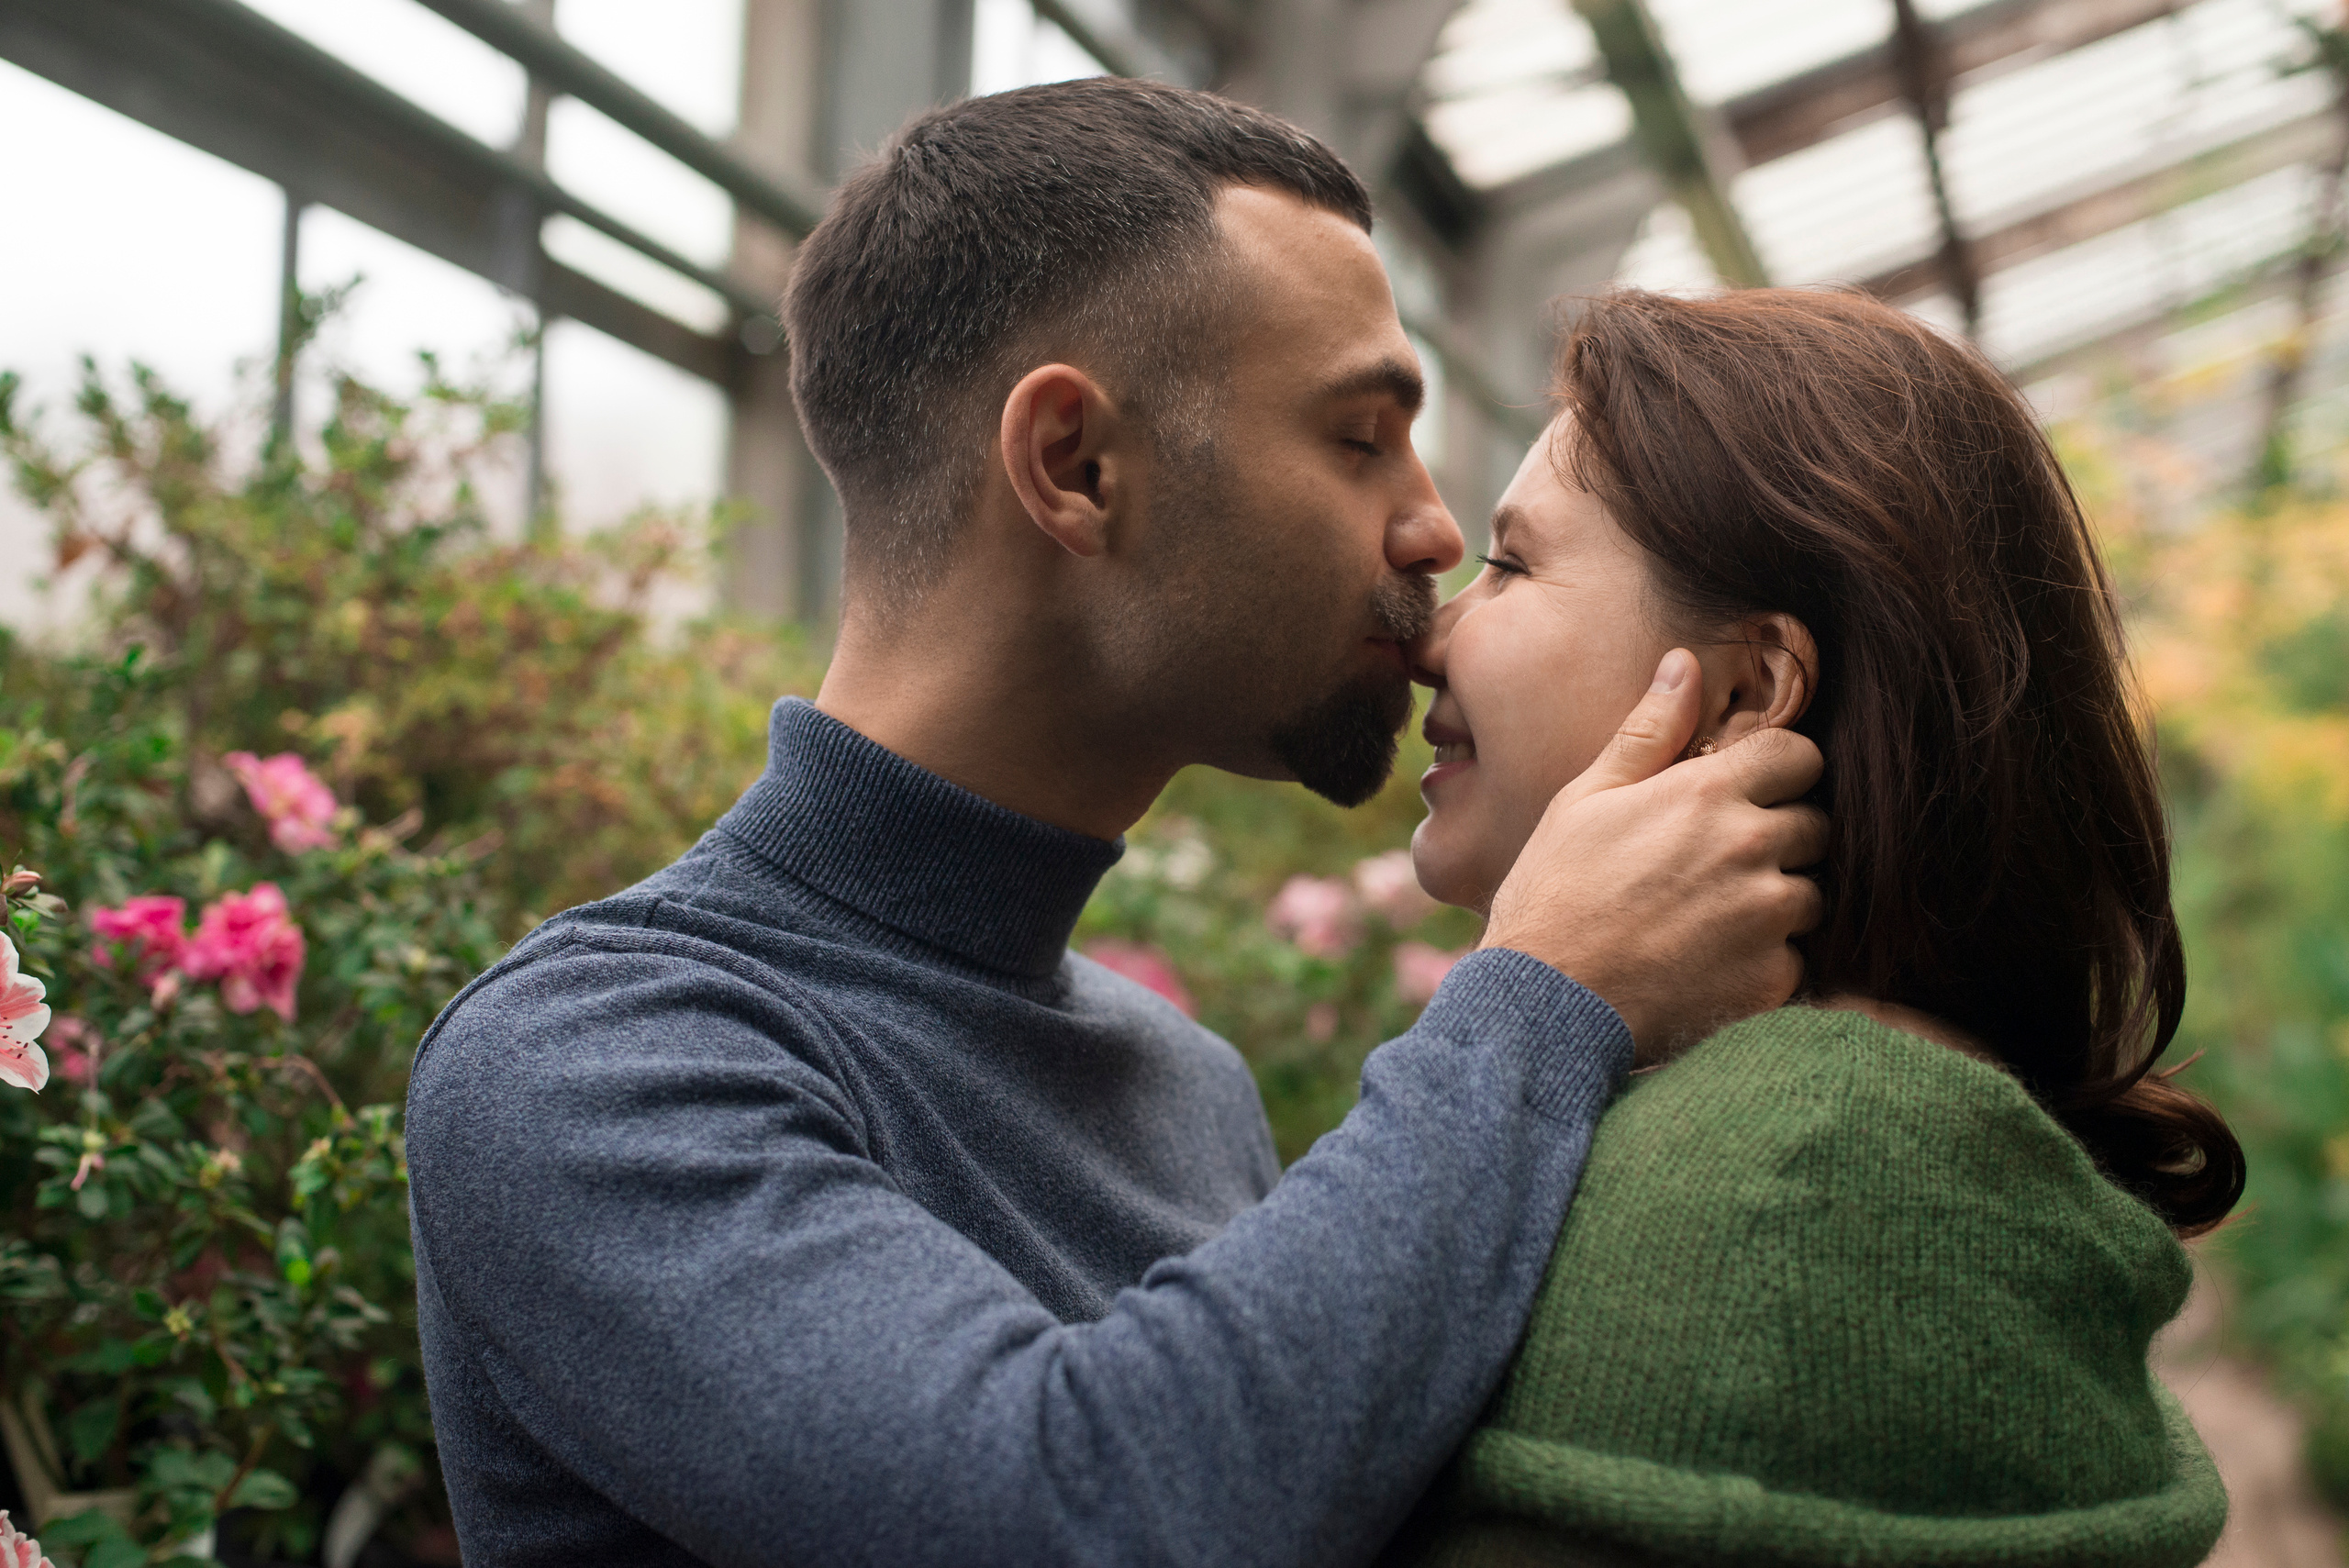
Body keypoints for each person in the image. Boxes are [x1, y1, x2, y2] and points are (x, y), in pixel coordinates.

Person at [403, 81, 1828, 1568]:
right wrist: (1548, 991)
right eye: (1360, 438)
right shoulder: (592, 1060)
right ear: (1075, 465)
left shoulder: (1180, 1079)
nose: (1433, 529)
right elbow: (1077, 1518)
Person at [1385, 287, 2245, 1568]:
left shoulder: (1785, 1190)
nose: (1437, 630)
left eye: (1511, 563)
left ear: (1746, 690)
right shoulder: (1860, 1120)